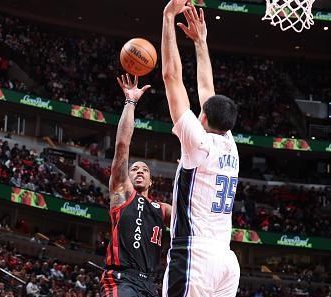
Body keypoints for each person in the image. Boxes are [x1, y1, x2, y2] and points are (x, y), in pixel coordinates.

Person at [161, 1, 240, 297]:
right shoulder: (229, 143)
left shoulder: (200, 144)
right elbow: (208, 91)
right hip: (225, 259)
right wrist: (200, 42)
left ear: (202, 117)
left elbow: (172, 78)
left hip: (196, 256)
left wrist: (168, 18)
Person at [100, 74, 171, 297]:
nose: (139, 171)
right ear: (127, 177)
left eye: (145, 170)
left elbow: (191, 214)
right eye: (134, 169)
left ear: (151, 181)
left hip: (150, 284)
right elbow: (122, 145)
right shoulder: (122, 192)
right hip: (122, 279)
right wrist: (130, 102)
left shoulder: (163, 209)